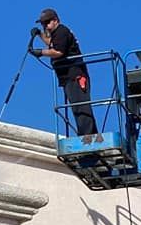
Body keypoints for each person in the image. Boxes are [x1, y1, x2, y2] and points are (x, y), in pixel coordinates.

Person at [29, 8, 97, 136]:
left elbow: (58, 52)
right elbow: (53, 44)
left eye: (47, 23)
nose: (45, 26)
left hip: (75, 76)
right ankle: (89, 137)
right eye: (43, 24)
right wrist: (40, 34)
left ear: (55, 20)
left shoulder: (61, 31)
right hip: (68, 77)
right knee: (77, 108)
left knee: (81, 107)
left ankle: (88, 137)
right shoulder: (58, 33)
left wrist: (40, 52)